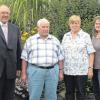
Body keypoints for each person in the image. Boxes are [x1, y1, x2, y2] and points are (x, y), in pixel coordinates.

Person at [21, 18, 64, 100]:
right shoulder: (30, 40)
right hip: (35, 71)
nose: (46, 29)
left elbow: (61, 58)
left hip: (52, 71)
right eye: (43, 27)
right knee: (34, 96)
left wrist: (61, 72)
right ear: (38, 28)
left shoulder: (55, 40)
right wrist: (23, 73)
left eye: (47, 27)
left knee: (51, 96)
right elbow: (24, 58)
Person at [62, 15, 95, 100]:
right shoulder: (66, 36)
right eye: (72, 23)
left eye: (76, 23)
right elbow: (61, 53)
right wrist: (61, 69)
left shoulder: (85, 36)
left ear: (80, 24)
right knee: (69, 93)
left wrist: (90, 68)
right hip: (68, 70)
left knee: (81, 92)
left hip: (81, 71)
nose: (74, 25)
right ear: (69, 24)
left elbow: (91, 53)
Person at [0, 4, 21, 100]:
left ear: (10, 14)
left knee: (9, 96)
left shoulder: (15, 28)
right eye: (2, 13)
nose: (5, 15)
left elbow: (18, 49)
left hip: (11, 69)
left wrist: (19, 68)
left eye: (7, 13)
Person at [92, 16, 100, 100]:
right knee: (96, 90)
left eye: (99, 24)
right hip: (94, 68)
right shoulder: (93, 36)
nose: (98, 25)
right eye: (96, 23)